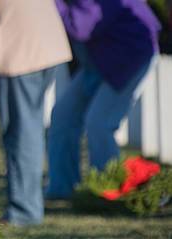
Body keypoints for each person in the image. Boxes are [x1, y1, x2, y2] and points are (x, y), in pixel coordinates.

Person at [0, 0, 72, 226]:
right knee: (24, 127)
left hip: (20, 47)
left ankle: (25, 209)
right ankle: (24, 205)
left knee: (21, 130)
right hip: (37, 40)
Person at [46, 0, 161, 200]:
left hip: (130, 56)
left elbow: (80, 28)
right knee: (62, 117)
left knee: (99, 123)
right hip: (99, 59)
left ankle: (107, 190)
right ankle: (62, 188)